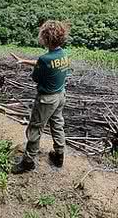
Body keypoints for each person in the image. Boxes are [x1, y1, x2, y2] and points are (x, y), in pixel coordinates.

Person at [10, 20, 72, 174]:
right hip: (60, 95)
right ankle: (59, 155)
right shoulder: (64, 54)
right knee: (57, 124)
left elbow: (36, 77)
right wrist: (24, 61)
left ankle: (28, 161)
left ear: (45, 38)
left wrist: (33, 66)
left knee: (35, 128)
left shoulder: (45, 59)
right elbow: (47, 64)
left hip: (46, 99)